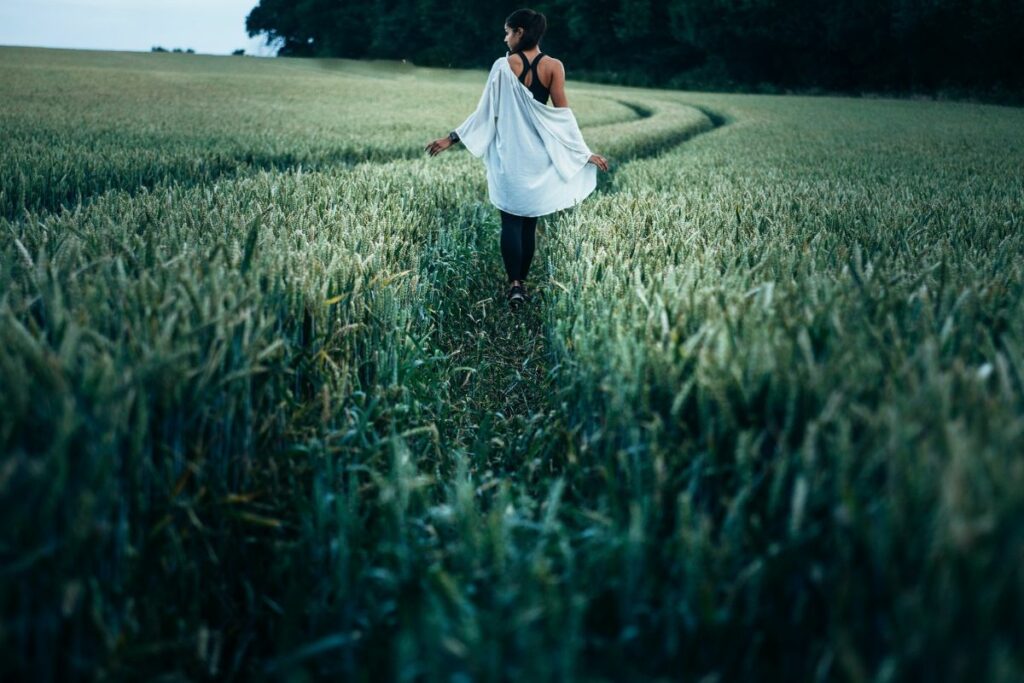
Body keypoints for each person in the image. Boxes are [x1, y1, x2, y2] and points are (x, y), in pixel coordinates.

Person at [425, 8, 609, 308]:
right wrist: (582, 153)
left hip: (509, 156)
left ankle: (514, 285)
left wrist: (452, 138)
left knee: (510, 220)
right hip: (538, 157)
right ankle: (522, 285)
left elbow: (485, 112)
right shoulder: (554, 66)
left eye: (508, 31)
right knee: (529, 222)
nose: (505, 37)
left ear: (520, 32)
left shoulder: (502, 66)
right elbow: (562, 117)